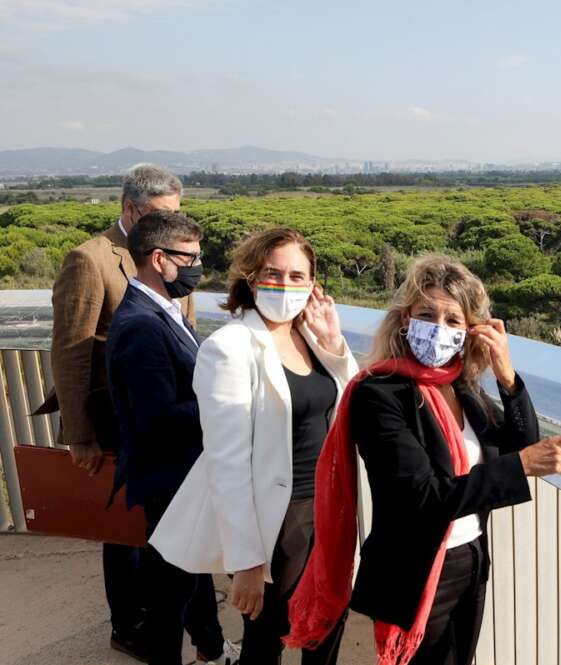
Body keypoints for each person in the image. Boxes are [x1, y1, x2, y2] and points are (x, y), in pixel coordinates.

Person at [286, 254, 561, 665]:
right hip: (418, 570)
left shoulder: (464, 390)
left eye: (453, 321)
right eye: (427, 314)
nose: (438, 329)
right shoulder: (379, 394)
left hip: (470, 558)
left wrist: (506, 375)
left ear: (471, 331)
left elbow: (522, 444)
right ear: (406, 319)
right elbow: (421, 497)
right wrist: (521, 465)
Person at [150, 227, 360, 665]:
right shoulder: (229, 348)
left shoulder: (311, 337)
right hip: (279, 523)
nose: (286, 285)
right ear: (250, 278)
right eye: (273, 273)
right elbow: (227, 465)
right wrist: (247, 563)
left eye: (298, 276)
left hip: (330, 507)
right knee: (270, 638)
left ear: (313, 284)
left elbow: (348, 401)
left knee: (328, 624)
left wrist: (335, 342)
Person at [49, 163, 193, 661]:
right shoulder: (90, 260)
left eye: (179, 213)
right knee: (125, 529)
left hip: (167, 420)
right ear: (131, 209)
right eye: (163, 214)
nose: (174, 223)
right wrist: (81, 436)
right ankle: (128, 625)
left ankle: (163, 613)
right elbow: (70, 351)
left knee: (161, 523)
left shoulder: (174, 254)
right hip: (116, 420)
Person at [105, 211, 240, 665]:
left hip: (180, 476)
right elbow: (157, 418)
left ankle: (212, 648)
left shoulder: (161, 311)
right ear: (159, 259)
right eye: (192, 257)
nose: (199, 266)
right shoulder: (142, 327)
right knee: (169, 593)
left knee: (190, 575)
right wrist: (229, 405)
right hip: (169, 480)